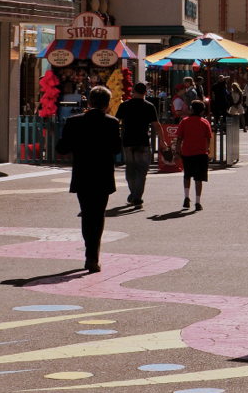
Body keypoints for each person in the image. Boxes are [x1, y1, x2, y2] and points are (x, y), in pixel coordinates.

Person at [55, 85, 121, 273]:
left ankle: (89, 251)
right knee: (98, 215)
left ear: (89, 101)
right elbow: (117, 149)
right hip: (102, 174)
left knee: (86, 213)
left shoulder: (73, 121)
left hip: (83, 173)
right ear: (107, 105)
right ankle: (93, 255)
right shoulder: (112, 122)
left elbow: (62, 148)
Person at [116, 82, 167, 209]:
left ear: (133, 91)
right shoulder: (149, 106)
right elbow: (157, 126)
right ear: (145, 92)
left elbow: (116, 121)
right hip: (143, 141)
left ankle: (133, 193)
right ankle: (137, 197)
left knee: (130, 168)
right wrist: (163, 140)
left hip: (128, 141)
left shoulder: (125, 105)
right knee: (142, 171)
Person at [175, 99, 212, 211]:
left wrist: (177, 151)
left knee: (187, 175)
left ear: (192, 109)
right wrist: (207, 148)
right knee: (199, 178)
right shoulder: (205, 122)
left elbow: (179, 138)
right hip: (201, 153)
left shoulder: (184, 121)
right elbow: (208, 137)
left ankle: (186, 197)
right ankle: (198, 201)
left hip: (187, 152)